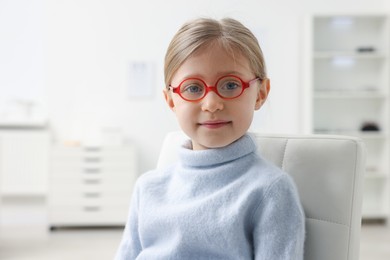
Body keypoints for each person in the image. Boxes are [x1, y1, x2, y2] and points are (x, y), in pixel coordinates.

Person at [115, 17, 305, 259]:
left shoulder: (270, 190)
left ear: (261, 93)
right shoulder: (148, 188)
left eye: (230, 85)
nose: (212, 103)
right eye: (193, 88)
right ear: (171, 100)